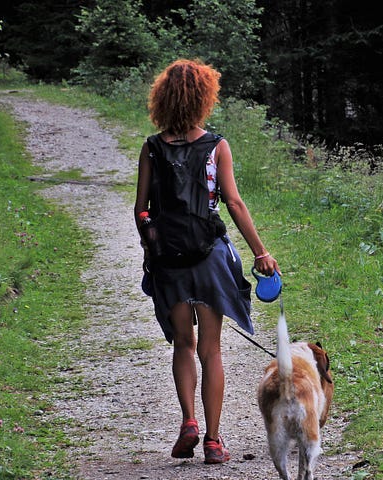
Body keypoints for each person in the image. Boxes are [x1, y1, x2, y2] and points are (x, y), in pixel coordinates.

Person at [134, 59, 279, 464]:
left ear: (162, 99)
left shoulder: (151, 147)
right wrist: (260, 253)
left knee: (184, 344)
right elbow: (233, 202)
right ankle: (214, 442)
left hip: (169, 261)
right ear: (203, 98)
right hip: (208, 257)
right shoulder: (216, 146)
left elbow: (141, 209)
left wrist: (154, 249)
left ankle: (189, 423)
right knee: (211, 351)